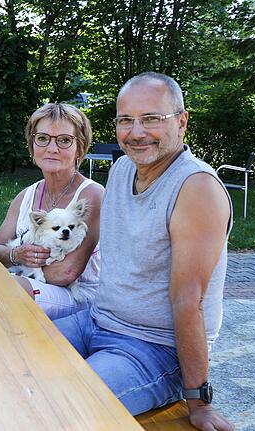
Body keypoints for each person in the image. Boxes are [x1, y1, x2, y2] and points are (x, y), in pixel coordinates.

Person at [54, 72, 234, 430]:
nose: (136, 132)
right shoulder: (122, 168)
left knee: (67, 405)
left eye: (151, 118)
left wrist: (198, 401)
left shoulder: (196, 187)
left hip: (153, 349)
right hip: (95, 321)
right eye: (126, 120)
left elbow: (188, 300)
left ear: (181, 121)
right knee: (8, 354)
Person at [0, 103, 104, 320]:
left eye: (64, 140)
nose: (52, 148)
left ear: (80, 148)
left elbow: (66, 273)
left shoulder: (92, 196)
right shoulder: (26, 197)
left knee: (4, 290)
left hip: (80, 297)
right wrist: (16, 254)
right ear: (32, 145)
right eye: (42, 138)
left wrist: (17, 271)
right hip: (29, 281)